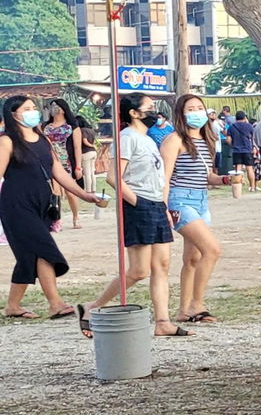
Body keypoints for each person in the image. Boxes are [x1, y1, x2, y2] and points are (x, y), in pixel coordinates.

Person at [80, 95, 187, 338]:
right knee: (139, 270)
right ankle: (93, 307)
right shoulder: (127, 138)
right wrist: (137, 202)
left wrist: (161, 204)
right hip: (140, 205)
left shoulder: (146, 139)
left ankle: (163, 321)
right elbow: (113, 176)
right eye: (149, 108)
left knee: (161, 265)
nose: (155, 112)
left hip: (156, 204)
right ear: (134, 113)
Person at [1, 96, 107, 319]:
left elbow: (57, 171)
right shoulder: (7, 141)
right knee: (45, 249)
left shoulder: (42, 139)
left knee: (29, 256)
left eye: (33, 108)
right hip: (16, 205)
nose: (33, 112)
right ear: (13, 115)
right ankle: (55, 303)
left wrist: (84, 195)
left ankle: (13, 306)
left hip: (42, 203)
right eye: (26, 109)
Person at [163, 94, 228, 323]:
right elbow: (165, 177)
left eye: (200, 107)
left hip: (201, 199)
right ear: (181, 113)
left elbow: (206, 175)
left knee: (193, 257)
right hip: (180, 200)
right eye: (191, 108)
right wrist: (163, 207)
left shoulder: (206, 139)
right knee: (212, 249)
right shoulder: (174, 140)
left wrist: (223, 180)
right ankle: (197, 304)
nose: (197, 112)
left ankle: (184, 310)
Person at [42, 99, 86, 228]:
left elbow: (77, 147)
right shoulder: (45, 126)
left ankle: (76, 216)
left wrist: (78, 166)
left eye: (57, 106)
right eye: (52, 106)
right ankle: (56, 220)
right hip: (49, 161)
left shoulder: (72, 127)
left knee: (70, 192)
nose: (55, 108)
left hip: (67, 162)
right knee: (54, 192)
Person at [227, 108, 257, 192]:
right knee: (249, 168)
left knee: (238, 169)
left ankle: (238, 185)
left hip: (236, 150)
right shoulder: (249, 126)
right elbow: (253, 138)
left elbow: (228, 139)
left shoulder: (231, 127)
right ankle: (252, 187)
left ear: (236, 118)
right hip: (247, 150)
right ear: (244, 117)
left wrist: (233, 145)